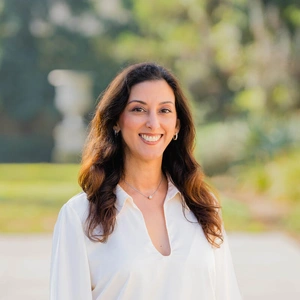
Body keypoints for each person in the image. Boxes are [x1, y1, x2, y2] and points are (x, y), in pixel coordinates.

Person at [50, 62, 242, 300]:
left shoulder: (202, 205)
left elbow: (226, 293)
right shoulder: (79, 216)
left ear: (176, 126)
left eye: (164, 110)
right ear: (116, 121)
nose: (153, 123)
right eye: (138, 109)